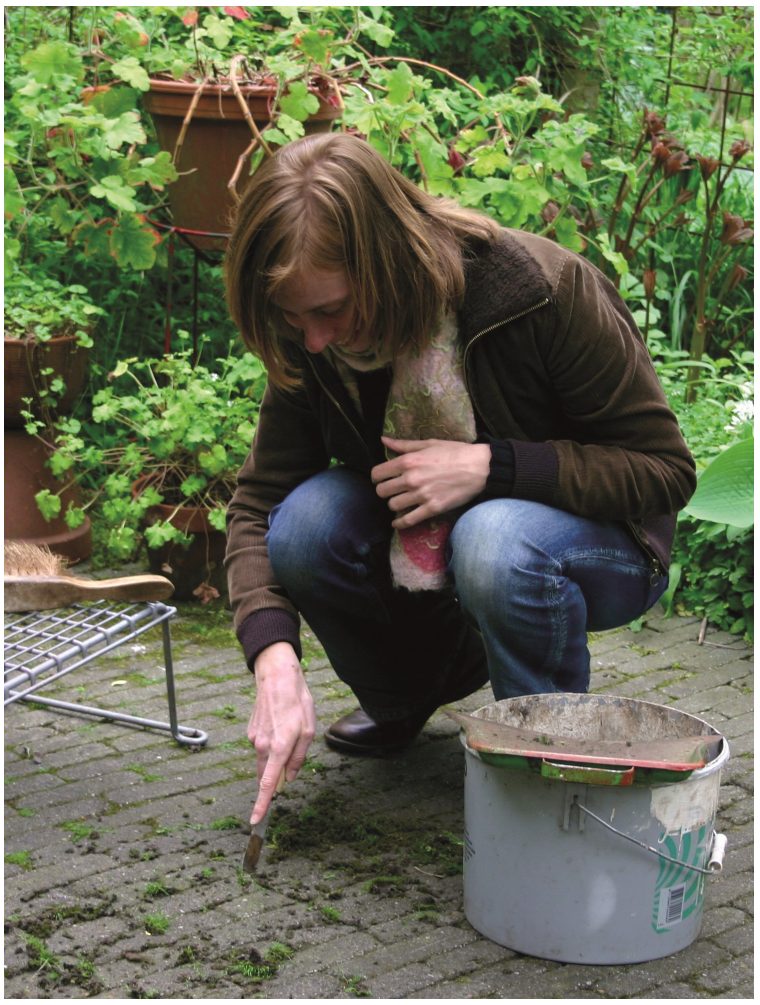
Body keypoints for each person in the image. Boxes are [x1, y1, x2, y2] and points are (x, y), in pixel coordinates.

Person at [219, 132, 696, 826]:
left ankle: (549, 768)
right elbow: (257, 504)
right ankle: (410, 694)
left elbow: (664, 471)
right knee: (304, 525)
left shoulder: (540, 291)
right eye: (294, 317)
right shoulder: (312, 336)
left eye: (329, 310)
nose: (314, 339)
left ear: (386, 263)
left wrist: (492, 466)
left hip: (602, 545)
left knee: (493, 537)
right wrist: (273, 656)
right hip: (440, 545)